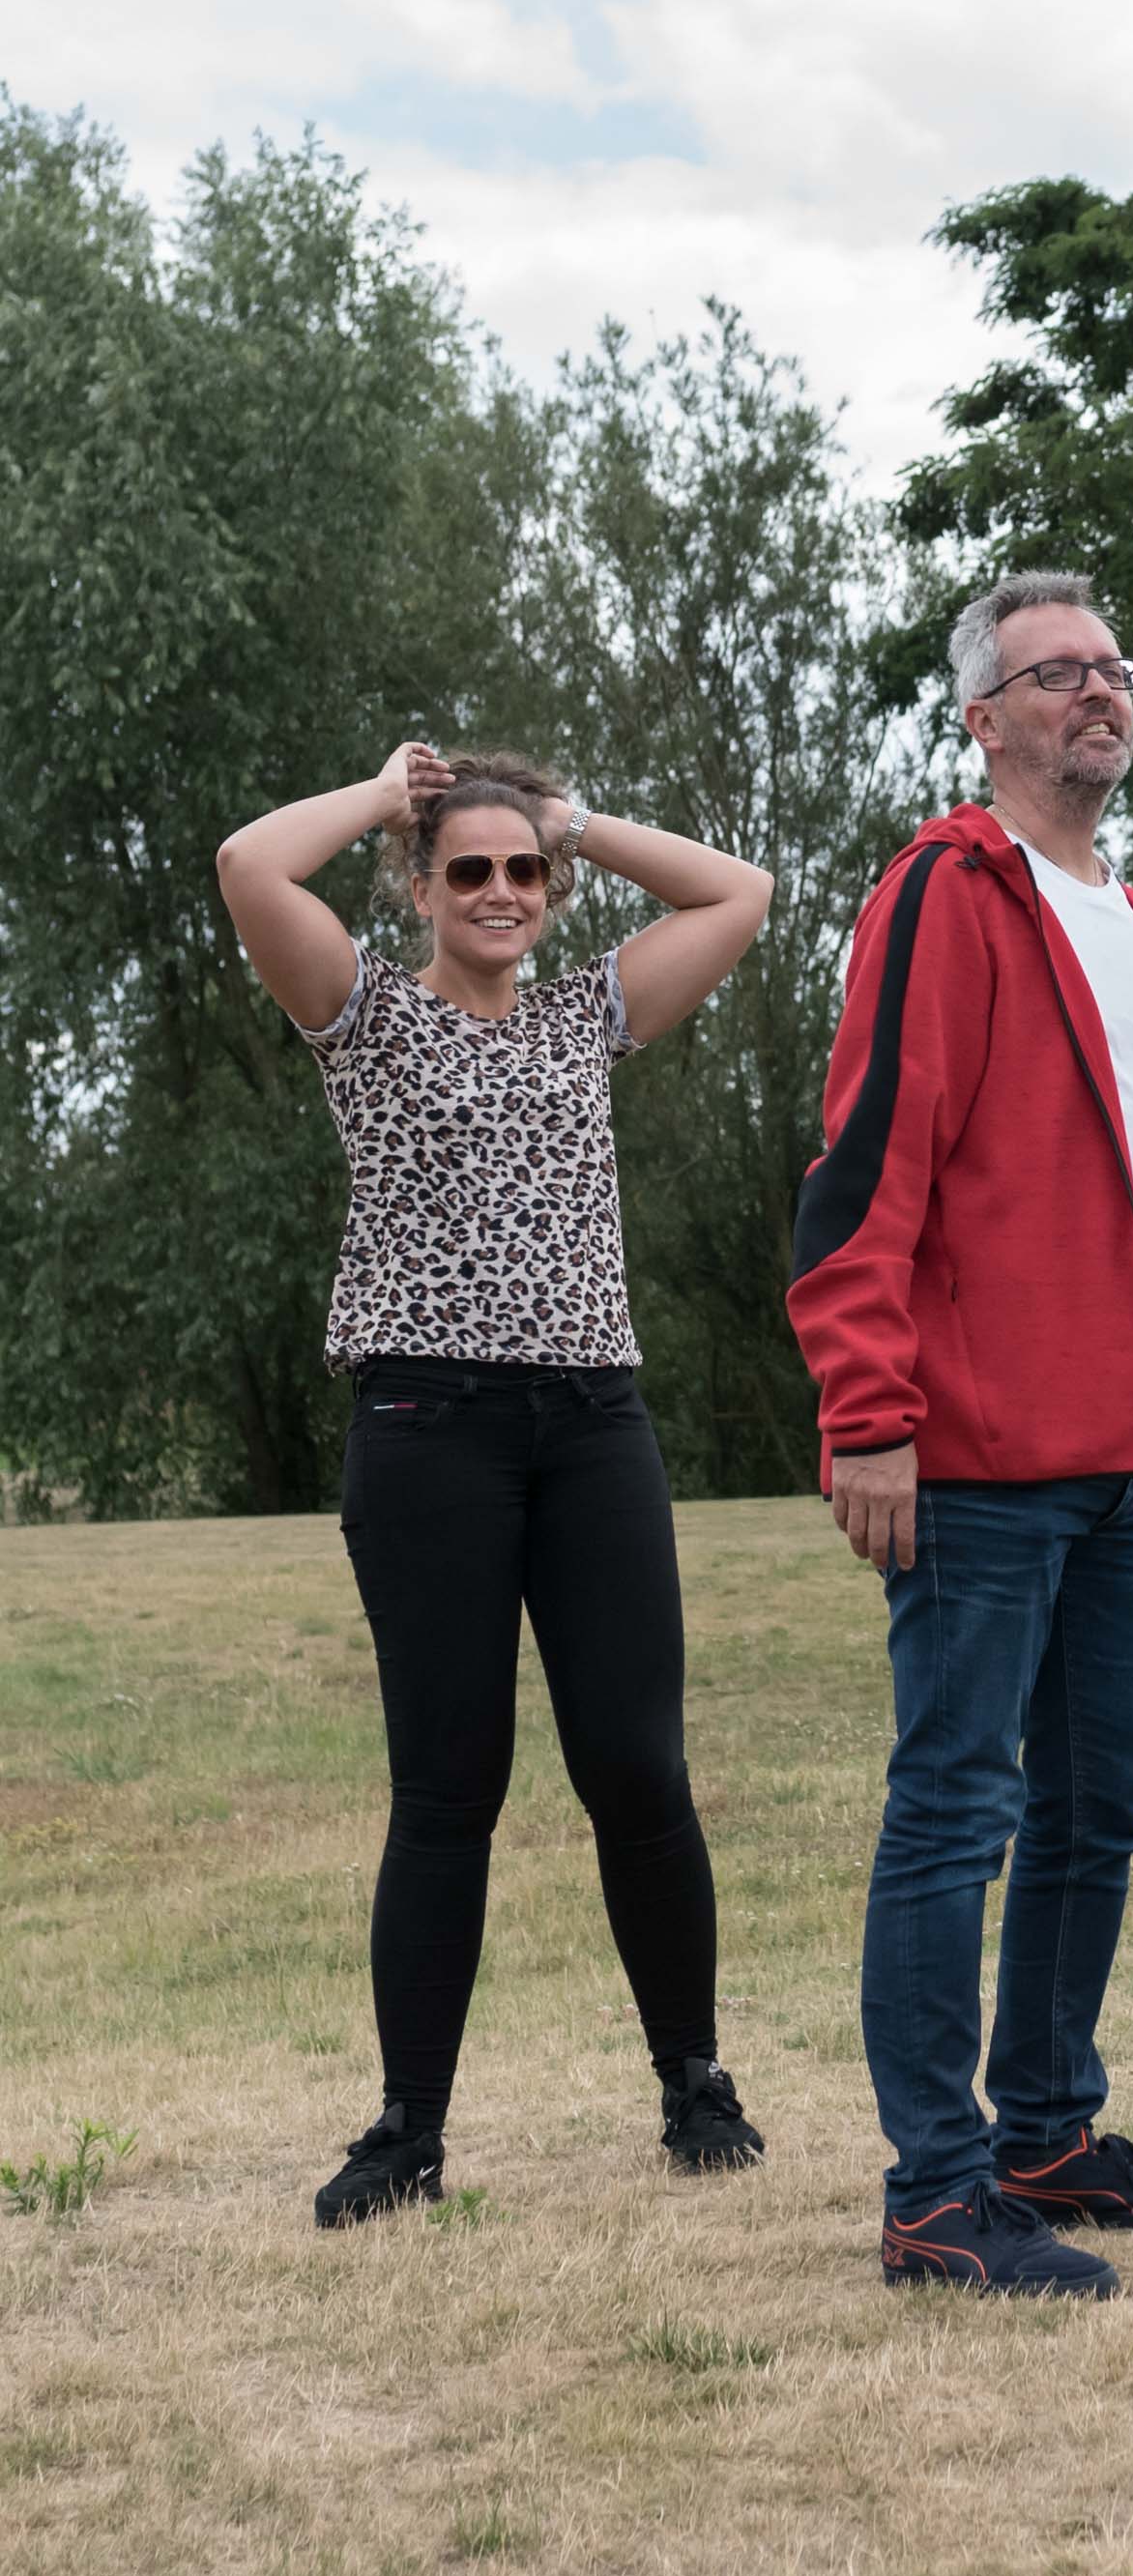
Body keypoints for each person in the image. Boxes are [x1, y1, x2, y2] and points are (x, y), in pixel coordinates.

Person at [218, 742, 778, 2227]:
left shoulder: (591, 1014)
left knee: (637, 1772)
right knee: (447, 1790)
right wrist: (389, 790)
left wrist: (568, 814)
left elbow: (743, 892)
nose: (500, 891)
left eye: (522, 872)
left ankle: (693, 2083)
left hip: (595, 1426)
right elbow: (250, 868)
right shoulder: (364, 1014)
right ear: (419, 886)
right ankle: (409, 2132)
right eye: (467, 869)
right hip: (427, 1428)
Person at [787, 571, 1133, 2299]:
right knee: (957, 1807)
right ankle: (938, 2192)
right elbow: (863, 1164)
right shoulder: (943, 896)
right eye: (1058, 674)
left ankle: (1049, 2126)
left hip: (1126, 1447)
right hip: (976, 1451)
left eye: (1115, 668)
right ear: (983, 716)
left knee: (1095, 1805)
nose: (1098, 694)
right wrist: (870, 1410)